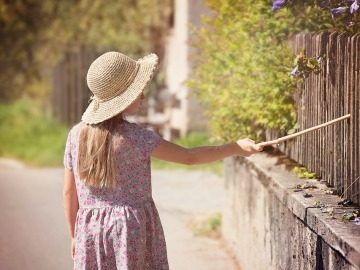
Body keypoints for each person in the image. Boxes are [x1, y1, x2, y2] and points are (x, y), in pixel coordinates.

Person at [63, 51, 263, 270]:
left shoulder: (75, 135)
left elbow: (68, 191)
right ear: (124, 99)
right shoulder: (136, 137)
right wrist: (235, 147)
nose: (143, 97)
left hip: (88, 230)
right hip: (129, 231)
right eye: (138, 91)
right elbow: (189, 157)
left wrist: (74, 235)